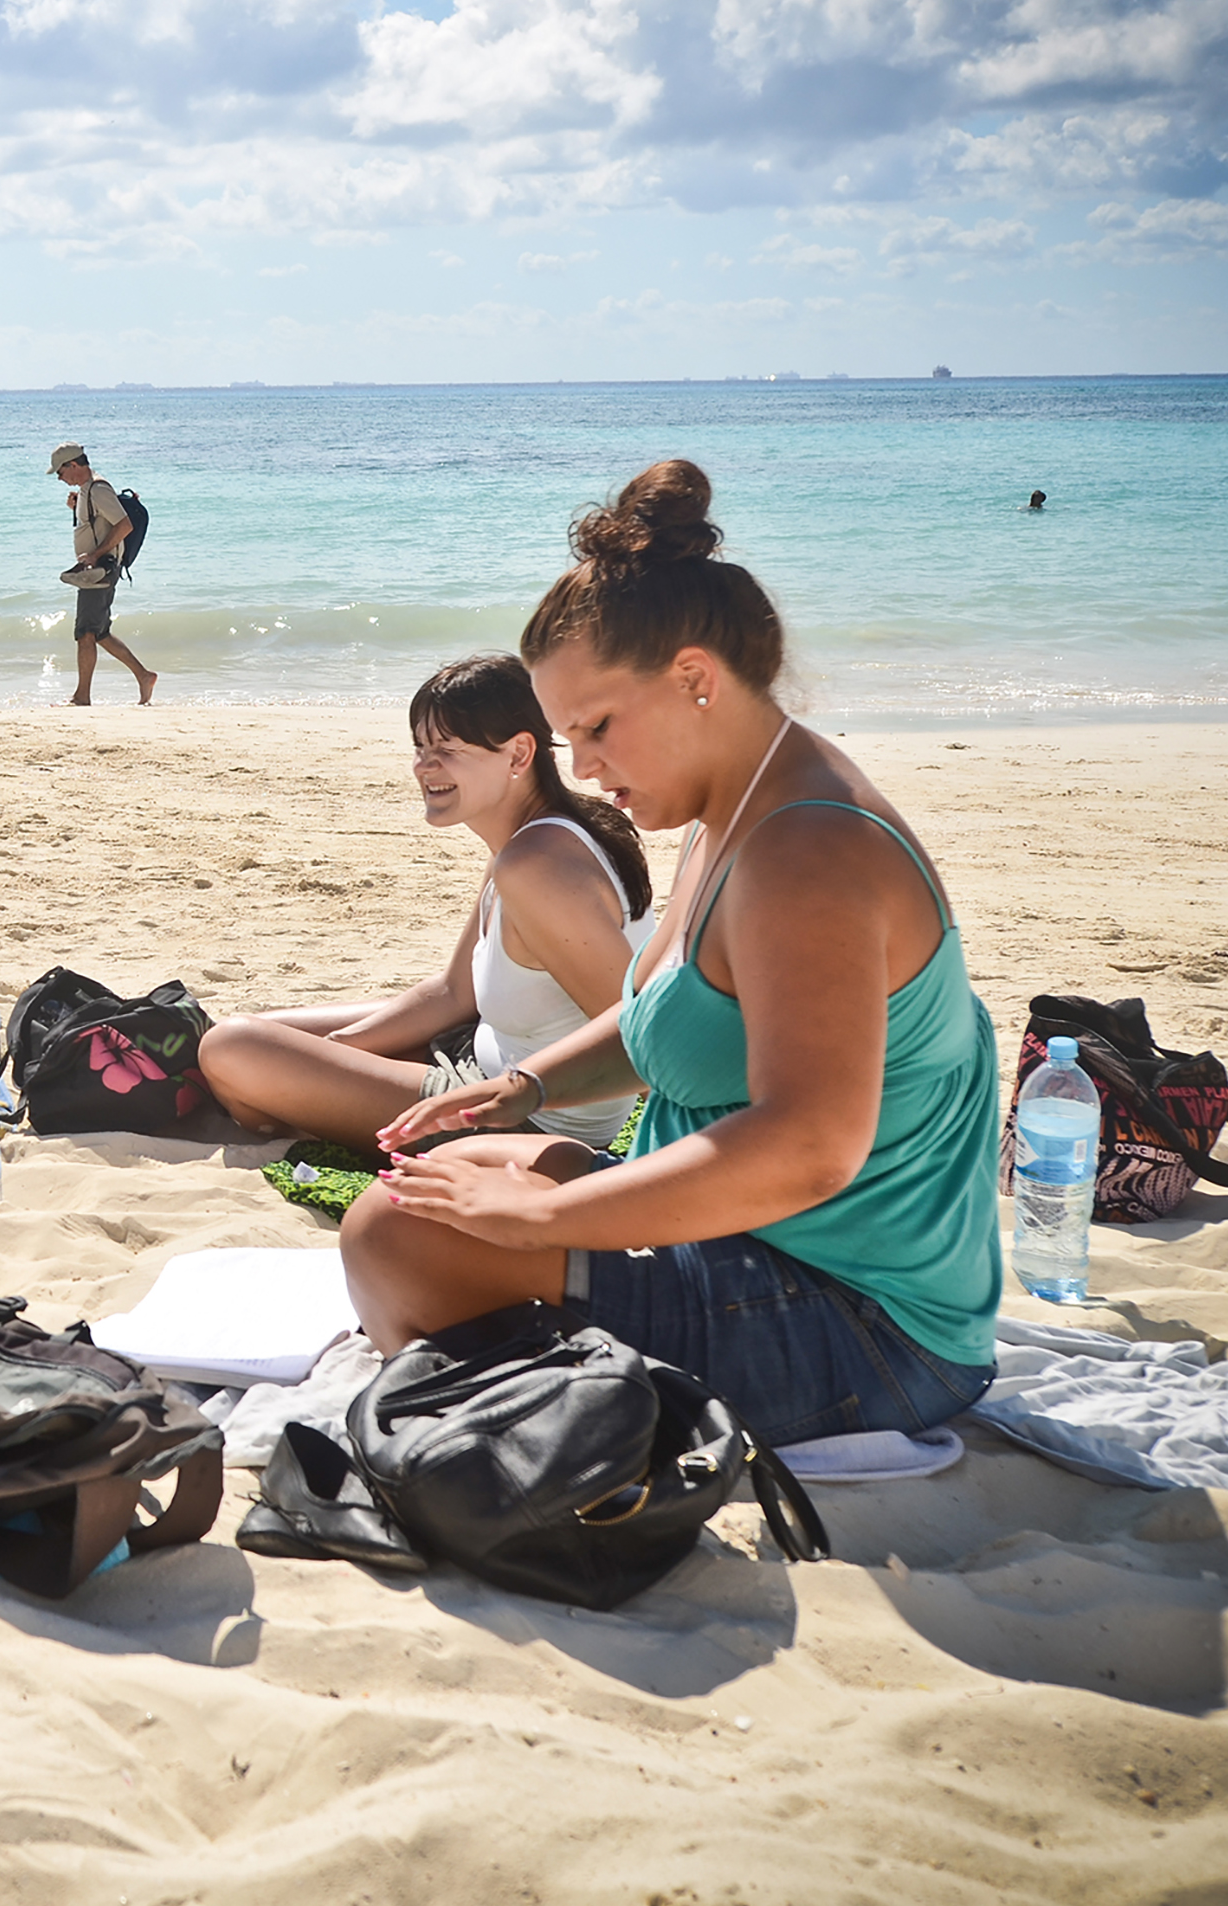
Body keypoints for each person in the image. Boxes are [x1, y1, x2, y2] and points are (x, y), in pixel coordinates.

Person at [340, 460, 1002, 1448]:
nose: (586, 768)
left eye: (596, 727)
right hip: (751, 1245)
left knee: (392, 1236)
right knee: (437, 1176)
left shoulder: (805, 850)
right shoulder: (731, 810)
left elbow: (808, 1147)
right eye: (566, 739)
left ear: (693, 678)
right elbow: (670, 1016)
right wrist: (519, 1087)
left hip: (862, 1326)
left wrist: (540, 1223)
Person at [198, 654, 655, 1152]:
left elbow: (643, 1036)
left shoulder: (535, 866)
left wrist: (519, 1092)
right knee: (258, 1035)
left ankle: (309, 1123)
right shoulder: (530, 839)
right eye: (420, 747)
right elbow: (455, 992)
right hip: (477, 1050)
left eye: (447, 749)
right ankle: (313, 1102)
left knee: (230, 1049)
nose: (425, 766)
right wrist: (338, 1050)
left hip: (522, 1121)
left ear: (519, 754)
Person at [50, 443, 157, 707]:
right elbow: (99, 523)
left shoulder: (98, 490)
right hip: (95, 570)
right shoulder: (88, 491)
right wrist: (77, 507)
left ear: (74, 465)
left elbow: (124, 525)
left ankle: (81, 696)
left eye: (60, 472)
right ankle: (144, 676)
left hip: (100, 570)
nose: (59, 477)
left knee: (85, 631)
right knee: (100, 632)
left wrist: (96, 555)